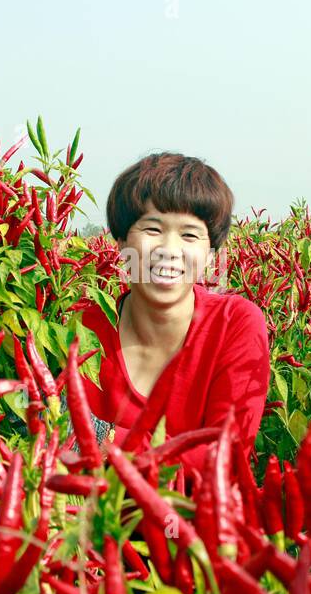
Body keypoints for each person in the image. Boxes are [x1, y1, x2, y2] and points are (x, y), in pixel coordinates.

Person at [66, 151, 271, 477]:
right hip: (91, 521)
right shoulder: (82, 328)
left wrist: (108, 439)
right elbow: (52, 441)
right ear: (121, 241)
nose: (169, 250)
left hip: (199, 522)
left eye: (190, 234)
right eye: (152, 229)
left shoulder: (235, 323)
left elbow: (225, 456)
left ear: (210, 251)